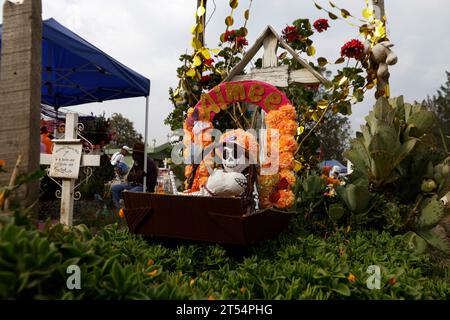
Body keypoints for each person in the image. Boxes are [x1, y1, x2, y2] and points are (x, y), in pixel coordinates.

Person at [111, 143, 158, 209]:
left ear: (141, 154)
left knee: (129, 194)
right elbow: (129, 177)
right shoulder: (137, 161)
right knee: (114, 188)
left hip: (146, 187)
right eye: (134, 152)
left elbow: (137, 177)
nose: (134, 154)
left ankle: (129, 210)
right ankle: (118, 209)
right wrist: (134, 176)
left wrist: (134, 176)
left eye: (136, 153)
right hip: (135, 184)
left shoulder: (148, 163)